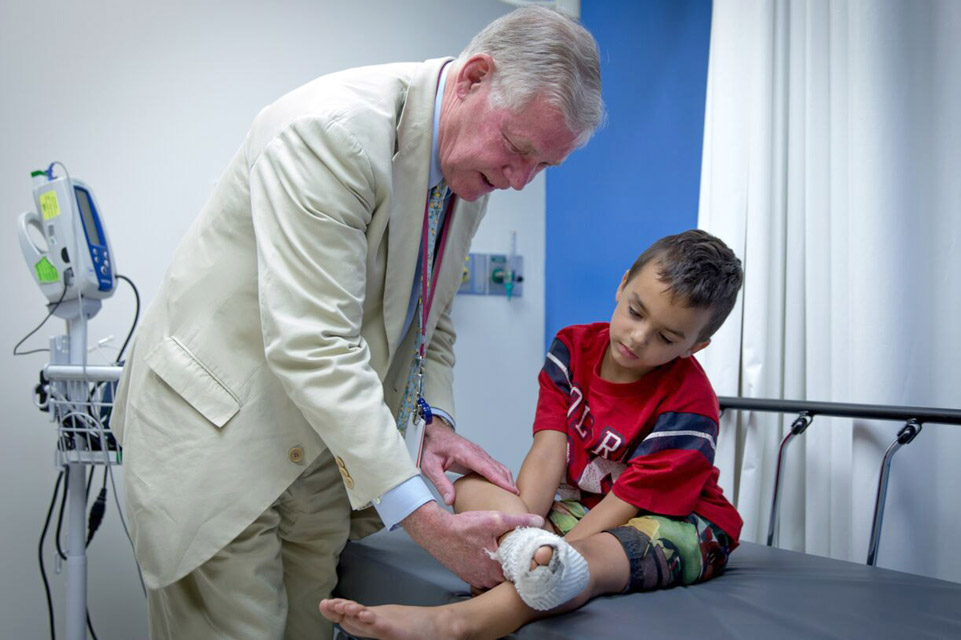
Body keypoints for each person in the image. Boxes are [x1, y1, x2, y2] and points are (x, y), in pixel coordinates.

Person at [110, 6, 603, 639]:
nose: (518, 180)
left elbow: (434, 319)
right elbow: (315, 344)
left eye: (543, 167)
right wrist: (427, 521)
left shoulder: (467, 177)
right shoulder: (330, 133)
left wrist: (434, 421)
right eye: (517, 149)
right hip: (220, 435)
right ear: (474, 77)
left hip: (319, 452)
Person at [320, 229, 745, 640]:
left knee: (585, 563)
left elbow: (626, 503)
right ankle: (533, 552)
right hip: (581, 508)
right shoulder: (572, 348)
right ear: (622, 286)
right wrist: (526, 525)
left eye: (666, 337)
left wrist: (549, 562)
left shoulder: (689, 404)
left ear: (694, 347)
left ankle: (458, 624)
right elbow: (548, 451)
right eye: (636, 311)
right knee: (471, 488)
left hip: (677, 523)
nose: (638, 337)